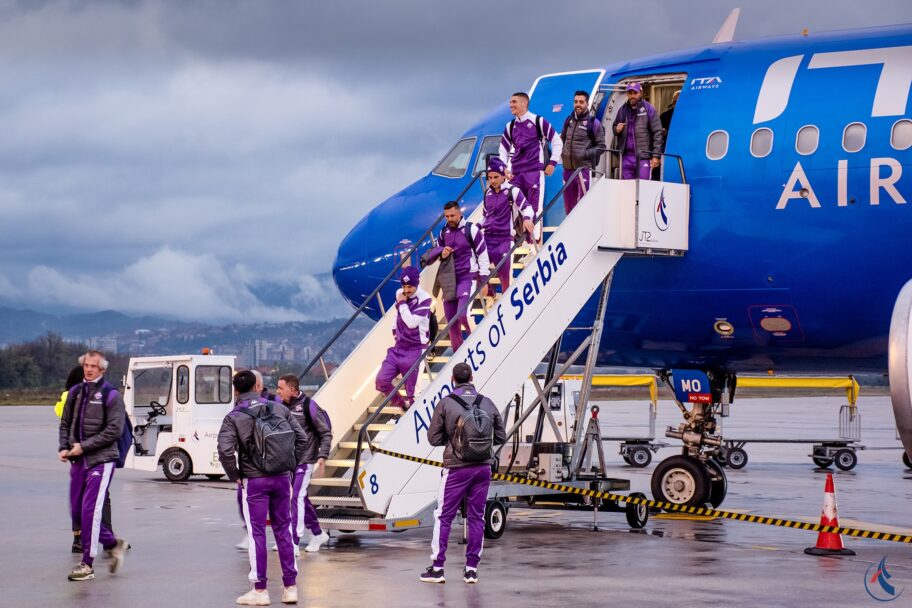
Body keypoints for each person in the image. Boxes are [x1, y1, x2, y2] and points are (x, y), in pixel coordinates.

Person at [218, 370, 307, 606]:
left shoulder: (234, 416)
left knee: (257, 532)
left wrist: (235, 475)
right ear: (257, 387)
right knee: (283, 530)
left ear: (236, 390)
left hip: (254, 480)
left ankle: (260, 590)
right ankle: (290, 587)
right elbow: (302, 439)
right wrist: (290, 464)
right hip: (281, 477)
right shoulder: (278, 408)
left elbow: (225, 450)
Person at [420, 363, 506, 585]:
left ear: (452, 379)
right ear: (472, 378)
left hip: (456, 468)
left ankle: (437, 568)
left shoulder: (446, 403)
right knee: (477, 517)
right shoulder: (487, 402)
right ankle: (471, 570)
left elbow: (433, 438)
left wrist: (455, 440)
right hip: (483, 468)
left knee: (444, 516)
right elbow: (500, 436)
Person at [57, 350, 129, 581]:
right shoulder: (75, 393)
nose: (88, 369)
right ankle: (112, 543)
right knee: (76, 511)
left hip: (102, 459)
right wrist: (63, 446)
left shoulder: (111, 395)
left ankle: (86, 564)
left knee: (91, 510)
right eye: (86, 365)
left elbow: (114, 430)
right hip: (78, 460)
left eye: (93, 366)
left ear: (103, 369)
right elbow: (65, 422)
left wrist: (84, 446)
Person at [56, 365, 118, 554]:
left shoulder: (66, 397)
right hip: (92, 453)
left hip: (75, 454)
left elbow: (62, 418)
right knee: (101, 498)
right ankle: (108, 540)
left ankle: (78, 538)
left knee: (80, 498)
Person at [421, 201, 489, 351]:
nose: (449, 219)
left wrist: (483, 281)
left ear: (460, 213)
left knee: (463, 315)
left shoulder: (471, 230)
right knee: (452, 323)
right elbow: (437, 250)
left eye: (452, 215)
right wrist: (442, 252)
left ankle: (480, 344)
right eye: (446, 216)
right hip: (449, 280)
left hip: (467, 277)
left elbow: (483, 255)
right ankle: (459, 354)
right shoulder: (443, 233)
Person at [276, 374, 332, 554]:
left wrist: (323, 455)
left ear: (292, 390)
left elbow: (325, 433)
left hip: (305, 460)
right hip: (287, 461)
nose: (277, 391)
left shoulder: (309, 406)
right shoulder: (280, 406)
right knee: (300, 498)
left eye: (280, 388)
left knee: (296, 497)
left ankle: (294, 541)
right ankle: (317, 533)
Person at [498, 92, 563, 242]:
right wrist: (503, 168)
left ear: (524, 103)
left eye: (514, 102)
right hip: (516, 174)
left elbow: (557, 141)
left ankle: (533, 242)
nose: (511, 105)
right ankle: (514, 239)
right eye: (510, 102)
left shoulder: (538, 121)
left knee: (534, 209)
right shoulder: (510, 126)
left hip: (534, 173)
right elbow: (503, 149)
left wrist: (552, 163)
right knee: (510, 204)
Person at [374, 267, 433, 409]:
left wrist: (402, 303)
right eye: (404, 286)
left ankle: (411, 410)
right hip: (399, 348)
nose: (406, 290)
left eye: (409, 286)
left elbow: (412, 323)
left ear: (416, 284)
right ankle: (402, 405)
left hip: (416, 350)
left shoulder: (425, 299)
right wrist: (395, 330)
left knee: (414, 394)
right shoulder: (399, 294)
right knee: (381, 380)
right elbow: (398, 314)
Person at [479, 158, 533, 293]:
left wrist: (527, 219)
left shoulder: (512, 191)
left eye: (496, 177)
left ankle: (506, 305)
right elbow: (485, 217)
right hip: (487, 239)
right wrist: (475, 227)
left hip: (504, 240)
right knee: (476, 269)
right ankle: (490, 292)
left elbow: (527, 208)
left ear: (503, 175)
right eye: (490, 177)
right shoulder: (488, 193)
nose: (492, 180)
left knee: (505, 278)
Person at [560, 90, 607, 214]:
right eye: (575, 102)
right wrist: (563, 153)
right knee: (569, 207)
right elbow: (562, 139)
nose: (578, 104)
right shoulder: (568, 120)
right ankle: (572, 232)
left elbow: (601, 146)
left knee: (583, 206)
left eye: (581, 102)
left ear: (587, 103)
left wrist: (584, 154)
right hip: (567, 170)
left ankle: (584, 231)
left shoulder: (593, 123)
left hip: (583, 170)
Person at [612, 82, 664, 180]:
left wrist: (656, 156)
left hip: (643, 157)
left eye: (635, 93)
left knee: (643, 188)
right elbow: (615, 128)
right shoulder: (622, 110)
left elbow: (658, 132)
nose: (632, 96)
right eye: (630, 93)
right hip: (626, 157)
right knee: (626, 189)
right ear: (627, 94)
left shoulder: (649, 109)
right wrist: (617, 129)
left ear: (640, 93)